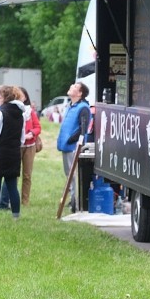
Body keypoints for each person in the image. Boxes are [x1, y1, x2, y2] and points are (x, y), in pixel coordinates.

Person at [0, 85, 24, 219]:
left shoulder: (0, 113)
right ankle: (16, 216)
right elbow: (22, 138)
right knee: (12, 187)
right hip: (13, 155)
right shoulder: (21, 115)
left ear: (4, 98)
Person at [57, 82, 90, 211]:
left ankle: (76, 203)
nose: (71, 86)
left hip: (73, 147)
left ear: (80, 93)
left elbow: (83, 128)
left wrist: (71, 140)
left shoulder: (83, 108)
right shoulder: (71, 106)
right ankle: (72, 200)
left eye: (75, 87)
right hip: (66, 146)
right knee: (68, 174)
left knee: (73, 175)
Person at [18, 86, 42, 206]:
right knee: (14, 174)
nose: (18, 97)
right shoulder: (12, 110)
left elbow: (38, 127)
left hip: (29, 146)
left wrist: (31, 134)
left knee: (27, 175)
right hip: (16, 146)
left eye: (20, 95)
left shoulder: (30, 111)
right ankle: (13, 200)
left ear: (25, 97)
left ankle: (25, 201)